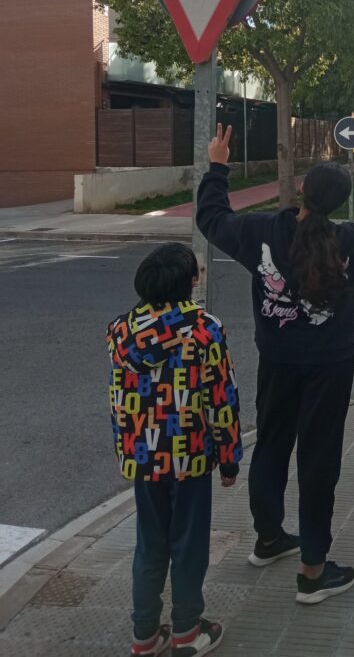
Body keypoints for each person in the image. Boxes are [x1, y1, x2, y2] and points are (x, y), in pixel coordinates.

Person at [196, 124, 354, 604]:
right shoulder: (350, 242)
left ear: (300, 189)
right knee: (319, 458)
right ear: (339, 202)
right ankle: (313, 570)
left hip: (277, 360)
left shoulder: (261, 233)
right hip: (330, 366)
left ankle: (269, 537)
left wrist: (218, 167)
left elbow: (211, 217)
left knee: (271, 443)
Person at [107, 242, 242, 657]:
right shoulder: (204, 329)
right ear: (191, 282)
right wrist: (229, 457)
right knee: (188, 543)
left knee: (149, 544)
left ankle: (145, 635)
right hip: (189, 454)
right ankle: (186, 629)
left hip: (142, 456)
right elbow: (222, 398)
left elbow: (118, 397)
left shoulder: (121, 331)